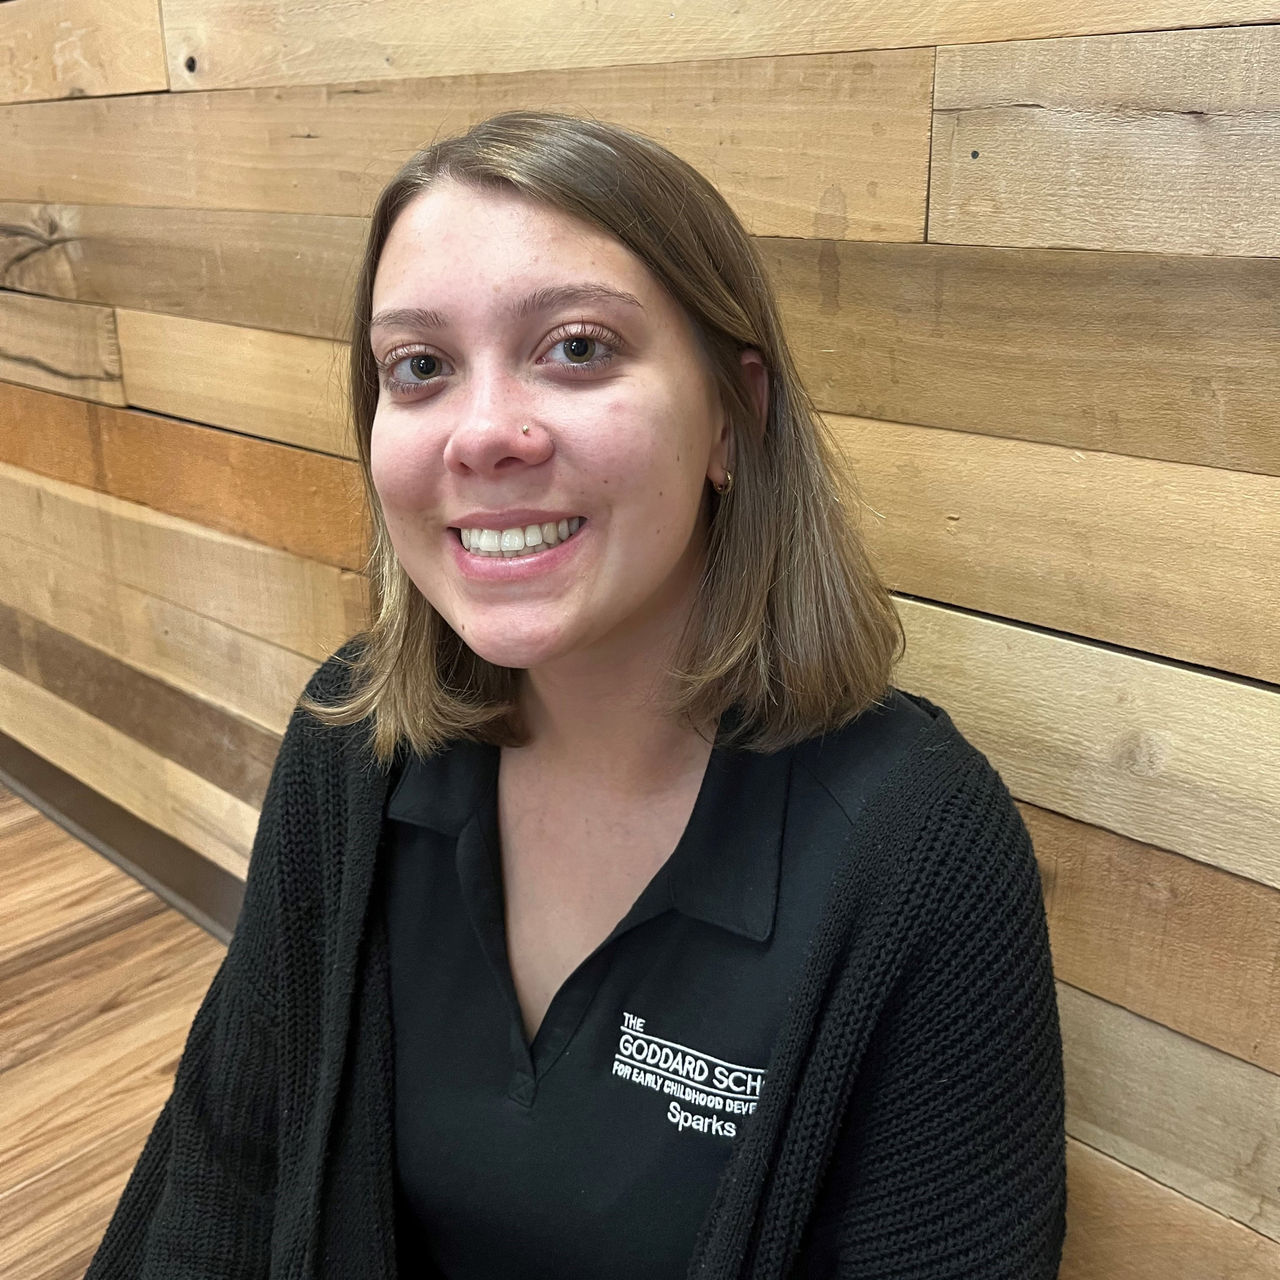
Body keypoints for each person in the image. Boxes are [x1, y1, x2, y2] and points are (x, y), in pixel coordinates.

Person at [85, 111, 1066, 1279]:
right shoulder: (353, 739)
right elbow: (229, 1161)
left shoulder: (920, 847)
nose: (481, 434)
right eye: (420, 366)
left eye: (577, 347)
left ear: (733, 414)